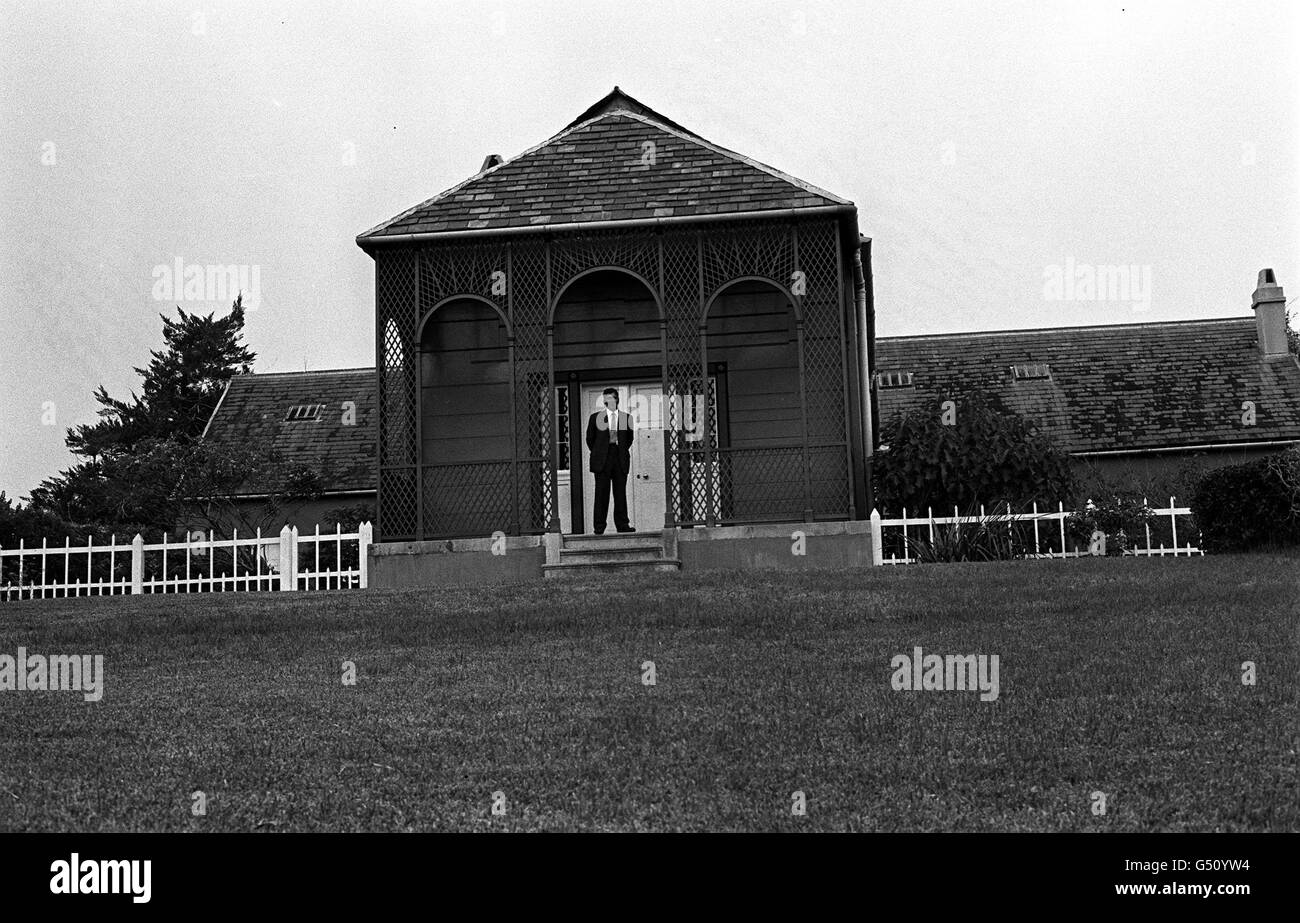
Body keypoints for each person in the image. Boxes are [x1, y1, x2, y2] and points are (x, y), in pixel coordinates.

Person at [585, 387, 635, 534]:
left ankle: (623, 525)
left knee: (620, 494)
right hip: (602, 460)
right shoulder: (595, 418)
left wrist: (619, 449)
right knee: (601, 494)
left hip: (619, 458)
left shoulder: (626, 418)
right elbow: (590, 439)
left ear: (617, 399)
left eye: (611, 398)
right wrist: (600, 452)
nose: (609, 401)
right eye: (606, 399)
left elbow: (629, 439)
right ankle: (599, 527)